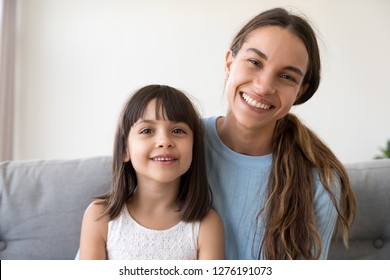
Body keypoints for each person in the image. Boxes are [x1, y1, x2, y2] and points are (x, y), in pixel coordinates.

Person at [202, 7, 356, 259]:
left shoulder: (320, 181)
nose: (264, 86)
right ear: (229, 63)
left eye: (286, 76)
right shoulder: (175, 146)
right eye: (254, 62)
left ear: (300, 91)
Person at [79, 84, 224, 260]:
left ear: (194, 148)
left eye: (178, 130)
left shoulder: (207, 224)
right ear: (125, 150)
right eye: (147, 131)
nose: (164, 141)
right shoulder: (100, 217)